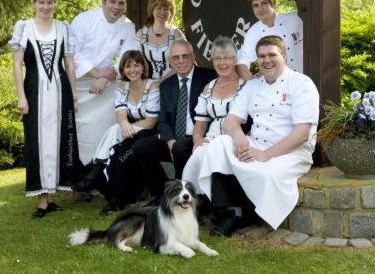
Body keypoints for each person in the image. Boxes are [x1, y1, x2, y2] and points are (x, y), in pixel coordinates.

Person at [197, 35, 319, 237]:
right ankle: (230, 210)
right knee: (219, 145)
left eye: (272, 54)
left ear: (284, 56)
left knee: (267, 174)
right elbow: (230, 121)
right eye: (261, 56)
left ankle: (246, 213)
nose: (266, 60)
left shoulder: (302, 84)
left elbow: (302, 134)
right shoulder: (253, 85)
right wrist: (239, 137)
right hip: (255, 143)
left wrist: (266, 155)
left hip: (291, 151)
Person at [10, 0, 80, 219]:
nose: (46, 7)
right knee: (37, 141)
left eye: (50, 2)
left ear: (54, 4)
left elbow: (69, 65)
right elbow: (17, 65)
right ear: (33, 3)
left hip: (60, 93)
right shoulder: (24, 28)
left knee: (58, 140)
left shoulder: (63, 28)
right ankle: (42, 199)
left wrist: (74, 96)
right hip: (34, 92)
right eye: (41, 2)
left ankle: (50, 198)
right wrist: (21, 96)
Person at [73, 50, 160, 214]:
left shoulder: (153, 85)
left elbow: (151, 122)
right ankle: (115, 197)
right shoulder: (122, 87)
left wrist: (128, 126)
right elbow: (120, 114)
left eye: (136, 65)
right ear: (123, 69)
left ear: (143, 67)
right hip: (130, 131)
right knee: (119, 152)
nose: (132, 70)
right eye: (128, 66)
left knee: (119, 140)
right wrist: (125, 123)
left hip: (150, 133)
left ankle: (95, 172)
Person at [132, 39, 217, 197]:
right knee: (141, 147)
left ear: (193, 57)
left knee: (180, 149)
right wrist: (170, 141)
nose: (181, 61)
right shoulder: (166, 85)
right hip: (174, 138)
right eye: (176, 57)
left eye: (185, 56)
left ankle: (186, 196)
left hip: (199, 137)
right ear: (170, 61)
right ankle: (162, 194)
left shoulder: (209, 77)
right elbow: (162, 120)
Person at [71, 0, 137, 165]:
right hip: (80, 84)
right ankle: (79, 180)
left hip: (106, 86)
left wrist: (103, 78)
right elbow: (72, 53)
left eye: (121, 3)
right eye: (112, 2)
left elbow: (127, 56)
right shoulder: (83, 19)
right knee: (79, 130)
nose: (117, 7)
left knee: (103, 130)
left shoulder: (128, 26)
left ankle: (101, 172)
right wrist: (96, 73)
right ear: (103, 2)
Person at [182, 36, 245, 194]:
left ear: (235, 59)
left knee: (211, 155)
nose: (222, 63)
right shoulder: (208, 88)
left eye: (226, 58)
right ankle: (197, 198)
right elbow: (201, 122)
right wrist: (197, 139)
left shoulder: (246, 85)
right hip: (212, 136)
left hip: (237, 138)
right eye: (217, 58)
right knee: (199, 154)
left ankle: (220, 206)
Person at [237, 0, 303, 81]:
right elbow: (243, 60)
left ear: (272, 3)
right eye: (256, 5)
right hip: (280, 84)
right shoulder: (253, 32)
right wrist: (251, 83)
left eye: (264, 3)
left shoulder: (295, 18)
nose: (260, 8)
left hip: (307, 76)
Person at [136, 0, 184, 81]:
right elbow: (134, 62)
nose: (162, 12)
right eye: (159, 8)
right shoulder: (141, 34)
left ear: (171, 13)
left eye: (166, 9)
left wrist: (160, 83)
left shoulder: (176, 34)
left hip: (174, 82)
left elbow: (184, 63)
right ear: (152, 10)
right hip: (147, 83)